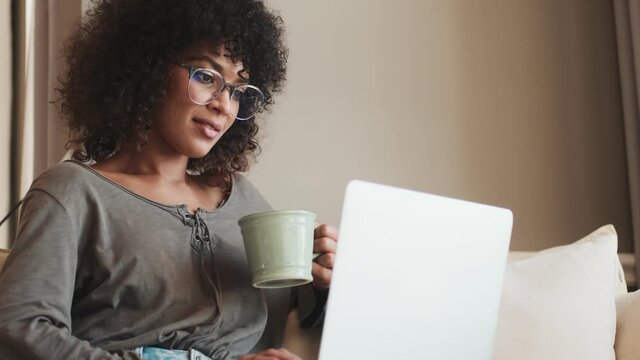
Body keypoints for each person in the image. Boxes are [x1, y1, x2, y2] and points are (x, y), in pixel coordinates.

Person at [0, 0, 338, 359]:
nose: (224, 104)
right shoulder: (74, 193)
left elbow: (291, 311)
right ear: (144, 68)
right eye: (207, 76)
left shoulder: (240, 197)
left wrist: (323, 283)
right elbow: (19, 330)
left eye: (238, 91)